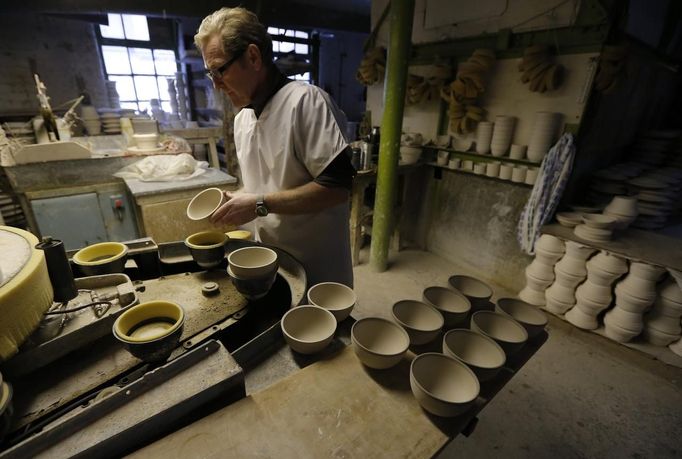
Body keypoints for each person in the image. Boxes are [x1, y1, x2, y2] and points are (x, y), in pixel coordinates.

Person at [194, 7, 356, 287]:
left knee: (319, 325)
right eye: (211, 75)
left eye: (220, 70)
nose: (217, 85)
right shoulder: (243, 117)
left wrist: (259, 204)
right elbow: (268, 184)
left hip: (317, 263)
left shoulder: (306, 102)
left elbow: (338, 187)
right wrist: (239, 200)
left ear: (253, 57)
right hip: (270, 260)